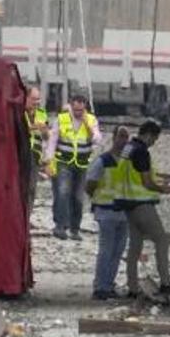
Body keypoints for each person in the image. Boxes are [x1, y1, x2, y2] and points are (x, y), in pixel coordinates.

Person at [111, 119, 170, 298]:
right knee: (162, 240)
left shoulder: (128, 148)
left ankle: (133, 288)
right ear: (148, 135)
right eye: (154, 139)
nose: (153, 143)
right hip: (141, 205)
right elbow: (146, 182)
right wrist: (164, 189)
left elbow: (130, 176)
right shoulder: (142, 151)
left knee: (135, 247)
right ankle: (165, 283)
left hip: (127, 204)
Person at [45, 93, 100, 241]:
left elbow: (96, 139)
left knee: (78, 197)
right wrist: (49, 162)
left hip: (81, 165)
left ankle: (75, 229)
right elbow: (52, 141)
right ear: (71, 106)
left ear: (85, 108)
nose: (78, 113)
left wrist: (87, 125)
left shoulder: (91, 120)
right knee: (63, 192)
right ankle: (60, 226)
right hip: (64, 161)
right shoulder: (62, 119)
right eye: (75, 110)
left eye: (80, 110)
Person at [86, 126, 130, 300]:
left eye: (126, 137)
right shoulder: (103, 161)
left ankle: (108, 285)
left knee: (117, 251)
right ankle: (101, 287)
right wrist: (100, 199)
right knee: (106, 250)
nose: (124, 140)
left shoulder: (128, 163)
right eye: (121, 136)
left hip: (124, 213)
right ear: (114, 137)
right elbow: (90, 184)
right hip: (107, 212)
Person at [23, 86, 52, 215]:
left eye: (38, 99)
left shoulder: (41, 113)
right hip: (21, 154)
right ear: (26, 98)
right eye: (34, 99)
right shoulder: (18, 112)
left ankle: (27, 216)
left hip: (35, 156)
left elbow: (46, 138)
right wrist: (34, 127)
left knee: (31, 188)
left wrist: (45, 131)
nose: (36, 102)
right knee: (19, 187)